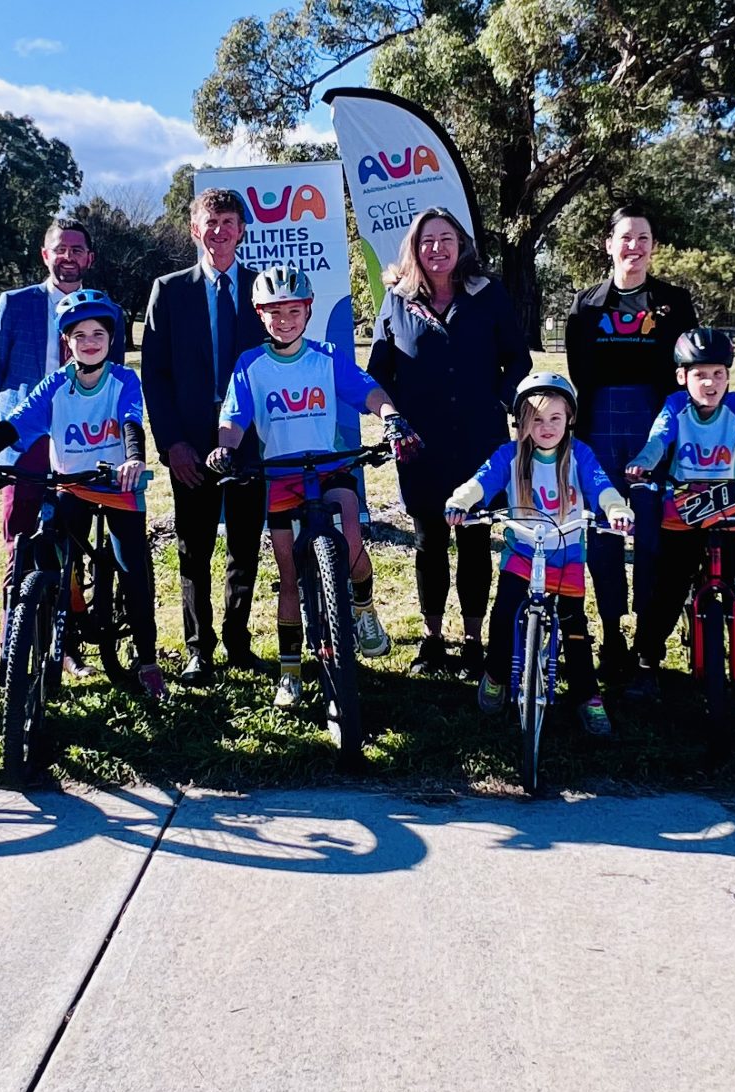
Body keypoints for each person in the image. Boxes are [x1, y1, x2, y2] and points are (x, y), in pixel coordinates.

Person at [205, 265, 421, 709]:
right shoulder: (251, 364)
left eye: (293, 311)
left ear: (307, 312)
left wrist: (391, 417)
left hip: (329, 467)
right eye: (274, 312)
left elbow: (367, 391)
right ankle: (290, 671)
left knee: (351, 535)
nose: (284, 320)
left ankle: (362, 608)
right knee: (288, 573)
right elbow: (233, 419)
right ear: (261, 316)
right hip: (280, 476)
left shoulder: (324, 355)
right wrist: (224, 448)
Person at [0, 292, 167, 699]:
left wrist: (134, 460)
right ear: (66, 342)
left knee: (132, 568)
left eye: (99, 334)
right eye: (80, 335)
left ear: (111, 339)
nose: (90, 342)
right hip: (71, 484)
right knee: (48, 551)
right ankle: (62, 636)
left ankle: (147, 660)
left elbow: (130, 421)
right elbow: (16, 424)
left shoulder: (123, 379)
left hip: (118, 486)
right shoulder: (55, 385)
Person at [367, 206, 531, 679]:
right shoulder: (397, 300)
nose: (436, 249)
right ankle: (433, 638)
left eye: (445, 239)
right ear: (414, 250)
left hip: (479, 441)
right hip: (422, 446)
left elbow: (516, 360)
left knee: (477, 542)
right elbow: (379, 372)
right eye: (426, 241)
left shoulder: (488, 294)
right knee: (429, 542)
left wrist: (501, 401)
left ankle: (474, 641)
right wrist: (392, 418)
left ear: (461, 246)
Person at [624, 328, 735, 720]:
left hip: (728, 513)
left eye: (718, 374)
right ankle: (646, 667)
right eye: (700, 374)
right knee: (667, 594)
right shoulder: (674, 406)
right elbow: (658, 440)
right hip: (683, 513)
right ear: (682, 377)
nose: (710, 383)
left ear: (729, 377)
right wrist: (644, 462)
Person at [444, 373, 634, 737]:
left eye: (555, 418)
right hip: (522, 552)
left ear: (570, 419)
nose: (546, 427)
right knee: (502, 619)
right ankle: (497, 674)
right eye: (536, 418)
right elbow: (481, 481)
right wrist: (461, 500)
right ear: (521, 421)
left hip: (567, 558)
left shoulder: (581, 455)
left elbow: (602, 487)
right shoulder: (510, 455)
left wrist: (616, 509)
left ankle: (587, 696)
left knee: (575, 629)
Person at [0, 218, 126, 675]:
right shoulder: (15, 304)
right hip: (26, 440)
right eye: (60, 249)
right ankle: (13, 647)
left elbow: (112, 376)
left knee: (69, 538)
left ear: (90, 259)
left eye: (77, 250)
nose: (68, 257)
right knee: (19, 540)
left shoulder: (105, 310)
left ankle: (65, 643)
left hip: (80, 441)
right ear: (46, 255)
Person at [565, 204, 698, 678]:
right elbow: (580, 374)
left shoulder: (675, 303)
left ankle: (648, 639)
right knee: (604, 533)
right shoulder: (586, 306)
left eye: (643, 238)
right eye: (625, 238)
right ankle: (611, 631)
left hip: (656, 425)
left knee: (651, 534)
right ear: (609, 244)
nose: (634, 248)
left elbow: (687, 372)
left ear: (653, 246)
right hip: (600, 424)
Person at [141, 187, 268, 684]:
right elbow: (156, 375)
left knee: (244, 545)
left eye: (229, 222)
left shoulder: (264, 290)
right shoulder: (169, 291)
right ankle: (200, 648)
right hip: (190, 443)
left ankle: (238, 641)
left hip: (250, 442)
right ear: (195, 230)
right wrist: (172, 443)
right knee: (193, 549)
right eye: (209, 223)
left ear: (241, 230)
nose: (219, 231)